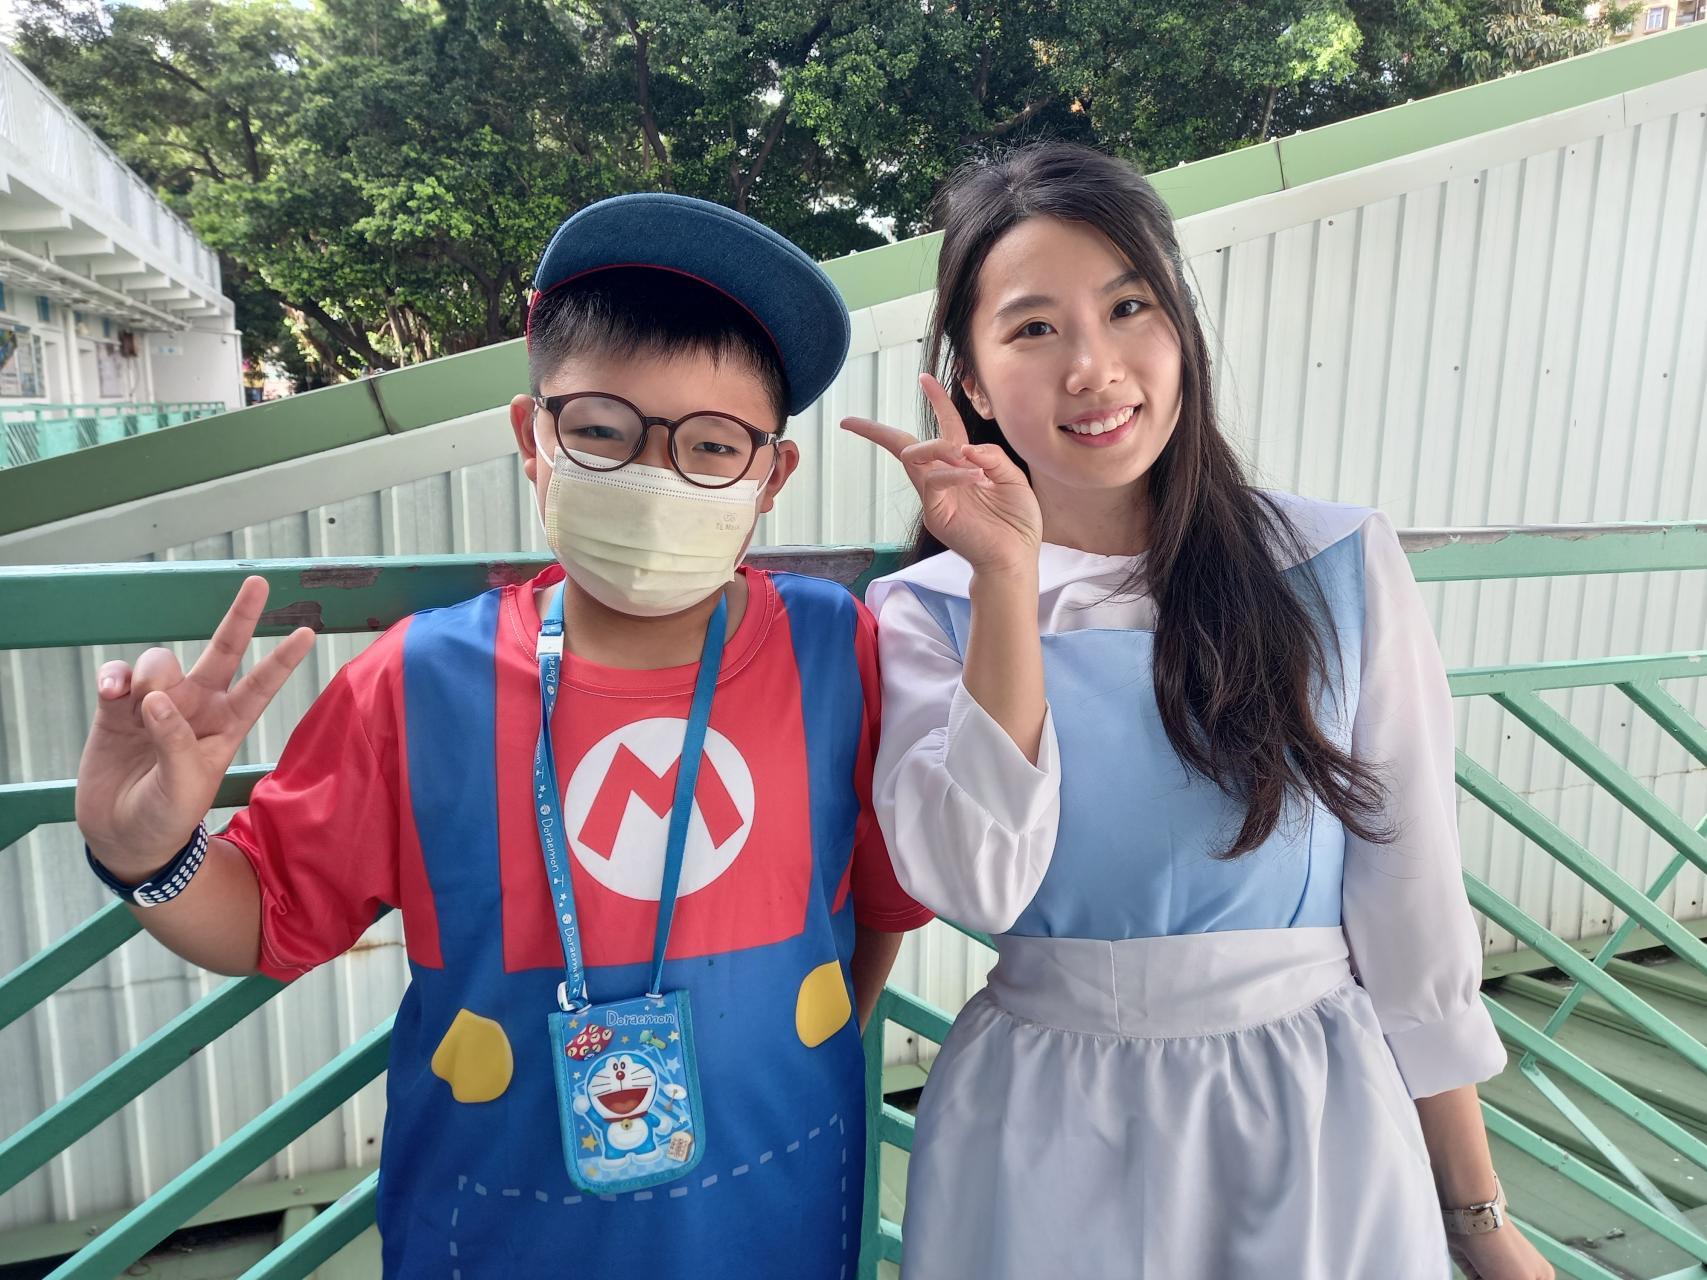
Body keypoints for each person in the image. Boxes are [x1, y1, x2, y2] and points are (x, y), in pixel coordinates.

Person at [76, 192, 932, 1278]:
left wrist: (809, 1048)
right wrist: (142, 849)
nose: (654, 478)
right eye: (602, 430)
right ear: (534, 438)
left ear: (770, 476)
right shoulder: (421, 680)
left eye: (713, 445)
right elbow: (264, 917)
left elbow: (883, 895)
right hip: (497, 1225)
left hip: (775, 1201)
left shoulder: (835, 649)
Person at [844, 142, 1550, 1280]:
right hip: (1041, 1125)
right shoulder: (926, 609)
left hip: (1310, 1109)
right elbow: (976, 883)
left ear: (1181, 327)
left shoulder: (1333, 560)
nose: (1094, 367)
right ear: (969, 378)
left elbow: (1410, 896)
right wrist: (1005, 579)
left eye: (1129, 308)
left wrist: (1474, 1216)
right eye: (1034, 328)